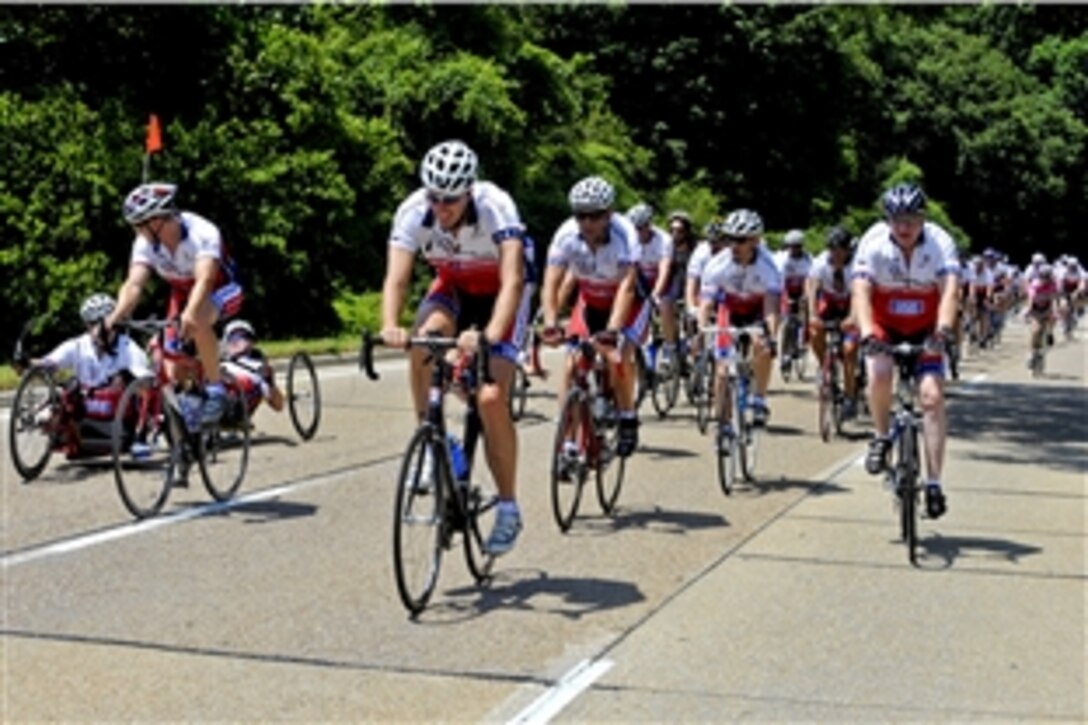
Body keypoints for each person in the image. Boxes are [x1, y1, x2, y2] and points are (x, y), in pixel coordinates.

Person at [379, 139, 527, 556]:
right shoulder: (412, 212)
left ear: (469, 191)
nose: (441, 206)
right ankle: (430, 438)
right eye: (434, 196)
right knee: (423, 342)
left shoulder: (497, 206)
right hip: (455, 287)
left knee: (491, 398)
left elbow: (513, 280)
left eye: (451, 199)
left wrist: (489, 335)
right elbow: (397, 279)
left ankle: (509, 508)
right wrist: (390, 325)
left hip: (501, 292)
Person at [853, 182, 960, 520]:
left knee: (931, 397)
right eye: (897, 220)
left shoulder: (941, 244)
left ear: (922, 219)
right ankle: (882, 436)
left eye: (911, 220)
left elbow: (950, 292)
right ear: (887, 220)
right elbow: (860, 292)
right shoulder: (872, 243)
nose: (904, 228)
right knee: (881, 374)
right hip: (884, 322)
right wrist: (868, 332)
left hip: (927, 325)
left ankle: (933, 483)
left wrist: (943, 330)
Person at [105, 182, 243, 426]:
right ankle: (189, 422)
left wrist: (189, 313)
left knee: (198, 320)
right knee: (171, 363)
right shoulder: (145, 243)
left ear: (157, 220)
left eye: (139, 224)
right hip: (181, 294)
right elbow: (134, 285)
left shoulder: (202, 232)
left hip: (220, 289)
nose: (136, 230)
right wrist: (114, 317)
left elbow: (205, 279)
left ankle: (216, 390)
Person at [540, 176, 644, 459]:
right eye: (580, 216)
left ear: (609, 214)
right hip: (590, 298)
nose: (587, 223)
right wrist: (550, 322)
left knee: (618, 355)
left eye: (595, 216)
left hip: (626, 302)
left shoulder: (625, 235)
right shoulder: (565, 235)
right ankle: (569, 440)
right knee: (572, 364)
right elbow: (551, 283)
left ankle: (627, 416)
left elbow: (627, 287)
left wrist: (611, 331)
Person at [697, 209, 781, 447]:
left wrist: (771, 337)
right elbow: (707, 302)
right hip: (730, 310)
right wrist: (700, 331)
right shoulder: (717, 264)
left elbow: (771, 307)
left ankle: (759, 398)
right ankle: (723, 424)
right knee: (722, 370)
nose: (734, 244)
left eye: (741, 240)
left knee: (761, 346)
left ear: (755, 241)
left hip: (757, 310)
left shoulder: (768, 265)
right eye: (730, 238)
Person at [32, 293, 153, 455]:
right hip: (85, 415)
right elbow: (49, 363)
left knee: (126, 379)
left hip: (118, 419)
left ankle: (139, 439)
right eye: (90, 324)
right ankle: (62, 434)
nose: (94, 329)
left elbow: (146, 387)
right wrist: (28, 364)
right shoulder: (78, 345)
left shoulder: (129, 348)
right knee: (66, 388)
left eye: (98, 323)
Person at [806, 226, 860, 418]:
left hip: (851, 302)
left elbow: (858, 294)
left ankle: (850, 396)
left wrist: (853, 317)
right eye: (832, 249)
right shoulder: (820, 262)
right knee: (814, 331)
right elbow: (812, 290)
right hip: (829, 301)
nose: (835, 254)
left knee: (849, 350)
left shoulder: (857, 265)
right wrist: (812, 315)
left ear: (848, 250)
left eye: (840, 249)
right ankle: (824, 367)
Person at [627, 202, 679, 369]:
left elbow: (664, 269)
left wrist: (656, 294)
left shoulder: (664, 239)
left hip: (661, 278)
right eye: (635, 228)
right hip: (639, 277)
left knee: (664, 305)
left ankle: (670, 348)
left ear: (649, 225)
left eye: (641, 228)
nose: (638, 232)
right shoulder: (628, 239)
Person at [219, 319, 284, 414]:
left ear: (251, 342)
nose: (239, 342)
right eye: (234, 338)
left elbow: (278, 406)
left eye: (244, 337)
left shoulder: (258, 367)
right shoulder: (220, 362)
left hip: (239, 403)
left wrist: (270, 383)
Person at [773, 228, 813, 377]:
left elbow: (810, 280)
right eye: (792, 246)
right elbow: (780, 282)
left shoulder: (808, 259)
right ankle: (784, 353)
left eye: (798, 246)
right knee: (788, 321)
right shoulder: (782, 260)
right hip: (786, 289)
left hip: (801, 288)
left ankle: (803, 340)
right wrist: (785, 299)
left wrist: (807, 297)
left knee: (806, 310)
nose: (795, 249)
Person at [1023, 264, 1059, 366]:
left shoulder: (1053, 285)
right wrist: (1028, 311)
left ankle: (1049, 333)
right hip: (1036, 309)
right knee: (1035, 331)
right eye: (1044, 276)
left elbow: (1054, 300)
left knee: (1052, 319)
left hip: (1047, 309)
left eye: (1048, 276)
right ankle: (1031, 353)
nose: (1046, 279)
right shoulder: (1035, 285)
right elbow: (1031, 300)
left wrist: (1055, 312)